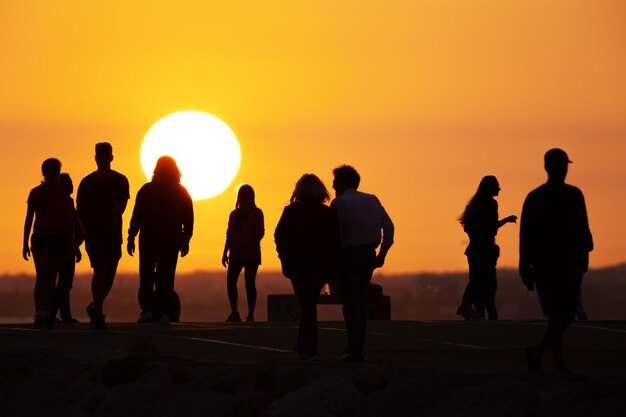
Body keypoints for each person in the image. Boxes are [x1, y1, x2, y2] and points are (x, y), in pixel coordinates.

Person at [520, 148, 593, 373]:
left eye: (565, 166)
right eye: (560, 166)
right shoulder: (536, 197)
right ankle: (559, 366)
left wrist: (584, 254)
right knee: (556, 314)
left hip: (569, 263)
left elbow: (583, 227)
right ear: (548, 167)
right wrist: (525, 266)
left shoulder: (573, 194)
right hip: (546, 264)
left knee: (567, 314)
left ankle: (537, 354)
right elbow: (526, 235)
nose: (563, 171)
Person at [331, 165, 394, 362]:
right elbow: (389, 227)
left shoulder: (339, 203)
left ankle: (355, 347)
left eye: (335, 181)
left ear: (343, 183)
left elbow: (335, 234)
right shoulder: (372, 200)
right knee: (361, 300)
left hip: (348, 255)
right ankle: (358, 344)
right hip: (368, 254)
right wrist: (382, 252)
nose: (332, 185)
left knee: (350, 303)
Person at [275, 174, 340, 361]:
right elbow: (335, 241)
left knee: (306, 304)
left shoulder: (291, 211)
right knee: (308, 304)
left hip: (297, 265)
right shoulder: (328, 213)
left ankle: (307, 345)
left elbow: (279, 236)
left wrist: (284, 257)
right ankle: (306, 344)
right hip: (319, 266)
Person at [127, 156, 194, 326]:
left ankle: (147, 310)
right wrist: (186, 240)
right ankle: (164, 312)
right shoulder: (181, 192)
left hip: (149, 238)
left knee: (147, 275)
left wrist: (131, 236)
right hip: (170, 240)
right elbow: (189, 220)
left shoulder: (147, 190)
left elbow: (137, 216)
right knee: (166, 277)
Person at [77, 142, 130, 329]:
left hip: (113, 233)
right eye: (99, 155)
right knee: (100, 270)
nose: (102, 158)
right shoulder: (87, 182)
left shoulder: (120, 180)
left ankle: (94, 306)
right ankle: (98, 311)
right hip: (94, 234)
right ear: (95, 157)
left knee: (109, 274)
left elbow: (121, 207)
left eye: (105, 155)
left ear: (111, 158)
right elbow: (80, 209)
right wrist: (85, 229)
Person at [23, 158, 74, 330]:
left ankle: (45, 314)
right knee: (43, 276)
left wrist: (70, 241)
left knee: (50, 277)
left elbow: (68, 221)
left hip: (56, 238)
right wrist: (24, 243)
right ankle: (40, 313)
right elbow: (29, 218)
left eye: (58, 170)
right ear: (45, 172)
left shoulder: (63, 195)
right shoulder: (36, 192)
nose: (56, 173)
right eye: (53, 170)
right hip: (41, 237)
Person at [457, 176, 517, 320]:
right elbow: (492, 227)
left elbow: (468, 228)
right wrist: (506, 220)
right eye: (497, 186)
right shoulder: (490, 204)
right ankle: (467, 306)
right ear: (489, 188)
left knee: (476, 280)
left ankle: (470, 309)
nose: (499, 189)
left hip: (474, 249)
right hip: (485, 249)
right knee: (486, 284)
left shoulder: (472, 205)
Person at [221, 184, 264, 322]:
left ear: (252, 197)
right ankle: (234, 312)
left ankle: (250, 314)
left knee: (249, 283)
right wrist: (224, 252)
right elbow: (229, 234)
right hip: (236, 253)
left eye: (247, 196)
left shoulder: (257, 213)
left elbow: (260, 232)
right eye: (242, 196)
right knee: (231, 282)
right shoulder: (234, 214)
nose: (245, 198)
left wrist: (251, 243)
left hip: (251, 254)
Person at [51, 173, 84, 323]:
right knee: (65, 283)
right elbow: (71, 226)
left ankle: (64, 314)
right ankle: (52, 312)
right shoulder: (64, 203)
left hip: (68, 246)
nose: (71, 186)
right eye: (68, 183)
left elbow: (74, 227)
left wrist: (76, 246)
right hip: (63, 247)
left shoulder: (68, 202)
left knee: (64, 283)